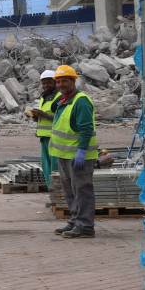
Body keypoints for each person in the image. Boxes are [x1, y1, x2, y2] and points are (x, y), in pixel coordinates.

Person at [48, 65, 98, 239]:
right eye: (59, 81)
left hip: (78, 156)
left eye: (65, 81)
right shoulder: (64, 100)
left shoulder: (81, 101)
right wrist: (59, 98)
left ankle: (85, 226)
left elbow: (86, 129)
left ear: (73, 81)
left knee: (82, 190)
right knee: (70, 191)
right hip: (64, 155)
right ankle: (75, 220)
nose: (61, 84)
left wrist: (82, 151)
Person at [25, 70, 59, 185]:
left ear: (55, 82)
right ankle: (52, 189)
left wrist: (42, 114)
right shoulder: (44, 97)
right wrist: (35, 117)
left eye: (49, 82)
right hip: (44, 137)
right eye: (43, 83)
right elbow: (43, 117)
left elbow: (61, 118)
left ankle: (57, 191)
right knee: (46, 166)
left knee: (55, 166)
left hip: (55, 137)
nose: (45, 85)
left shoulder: (59, 97)